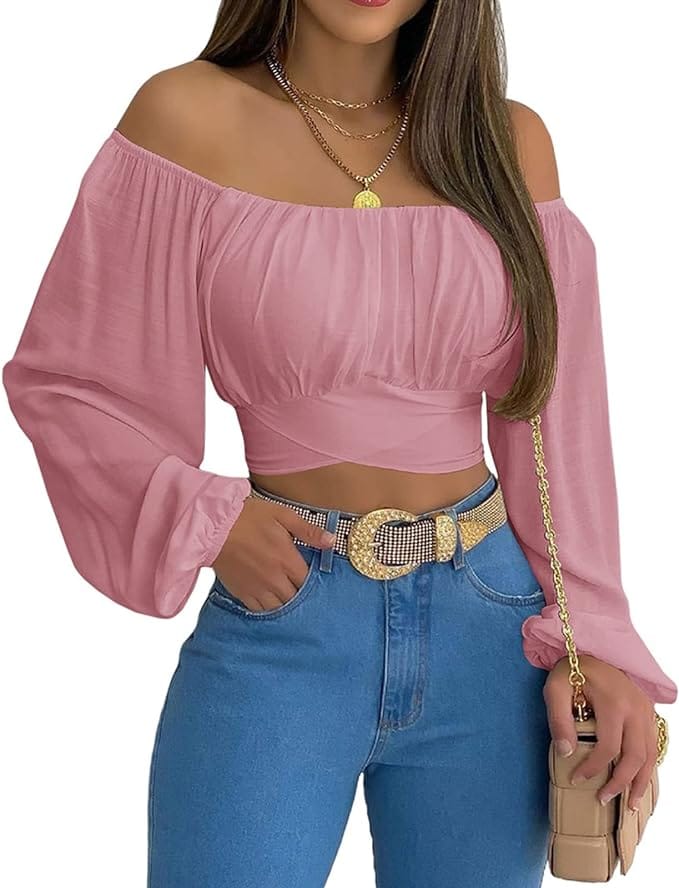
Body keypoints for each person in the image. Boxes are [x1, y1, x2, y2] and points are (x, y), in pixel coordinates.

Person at [3, 2, 676, 886]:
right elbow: (70, 382)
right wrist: (208, 518)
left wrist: (593, 640)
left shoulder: (506, 141)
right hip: (284, 617)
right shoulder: (187, 117)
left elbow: (557, 416)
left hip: (490, 628)